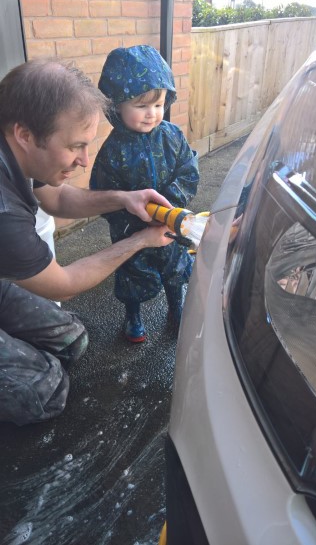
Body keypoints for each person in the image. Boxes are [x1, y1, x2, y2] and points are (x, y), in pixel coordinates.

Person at [0, 58, 174, 426]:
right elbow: (59, 284)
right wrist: (140, 241)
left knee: (72, 338)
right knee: (46, 388)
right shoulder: (4, 212)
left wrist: (125, 198)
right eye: (76, 146)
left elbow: (58, 199)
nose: (84, 160)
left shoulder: (16, 151)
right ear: (25, 134)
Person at [90, 45, 199, 343]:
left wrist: (171, 201)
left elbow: (189, 169)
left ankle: (177, 310)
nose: (152, 114)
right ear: (116, 107)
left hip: (171, 223)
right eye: (141, 106)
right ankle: (133, 315)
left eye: (159, 104)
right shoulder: (113, 150)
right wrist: (126, 220)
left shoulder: (172, 136)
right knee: (132, 275)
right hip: (132, 229)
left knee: (176, 269)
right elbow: (101, 192)